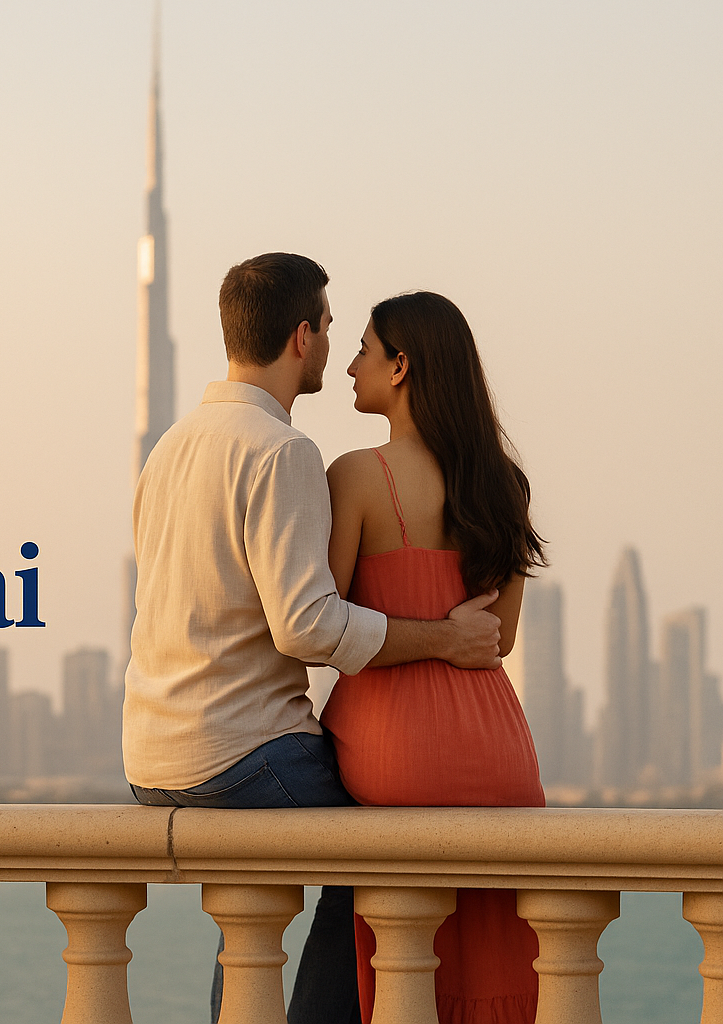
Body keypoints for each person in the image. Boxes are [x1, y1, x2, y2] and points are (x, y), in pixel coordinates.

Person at [123, 253, 505, 1024]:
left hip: (151, 757)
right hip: (244, 754)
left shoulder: (169, 447)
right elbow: (307, 626)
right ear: (303, 336)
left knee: (248, 918)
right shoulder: (280, 450)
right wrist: (443, 638)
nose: (335, 344)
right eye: (331, 327)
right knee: (377, 843)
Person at [320, 291, 547, 1023]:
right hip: (498, 753)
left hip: (396, 751)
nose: (351, 366)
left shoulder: (356, 475)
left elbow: (328, 628)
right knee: (491, 959)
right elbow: (497, 640)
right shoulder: (504, 485)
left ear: (402, 366)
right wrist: (448, 630)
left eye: (364, 350)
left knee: (392, 964)